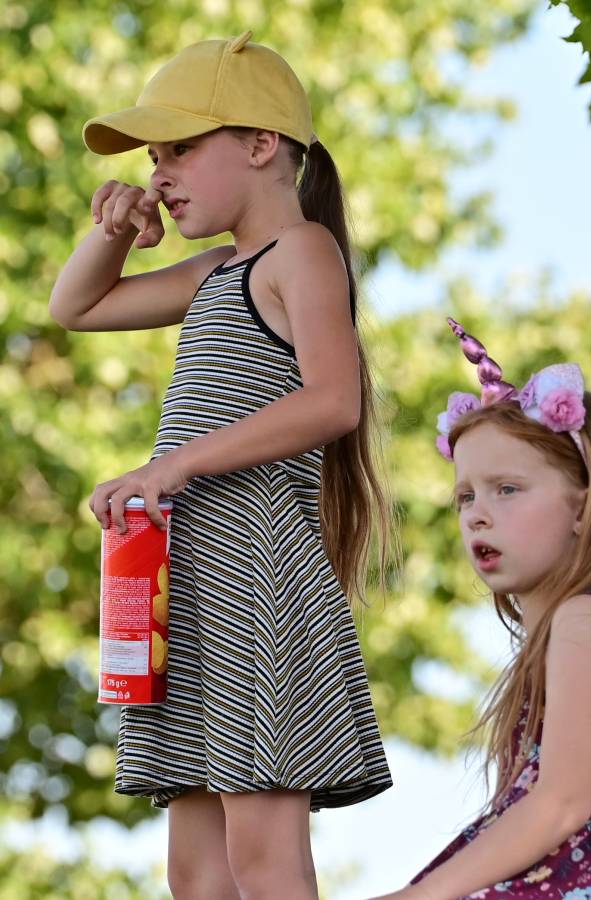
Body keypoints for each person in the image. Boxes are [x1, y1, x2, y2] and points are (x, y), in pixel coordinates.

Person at [49, 31, 393, 900]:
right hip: (192, 584)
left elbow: (332, 400)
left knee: (263, 859)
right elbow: (76, 307)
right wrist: (113, 232)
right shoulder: (212, 272)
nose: (159, 174)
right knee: (197, 874)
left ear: (261, 143)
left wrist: (172, 467)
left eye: (179, 150)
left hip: (256, 573)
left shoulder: (300, 252)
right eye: (152, 159)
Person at [369, 318, 591, 900]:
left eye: (507, 489)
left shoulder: (585, 619)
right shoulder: (570, 631)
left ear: (584, 509)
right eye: (466, 495)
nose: (476, 513)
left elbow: (560, 805)